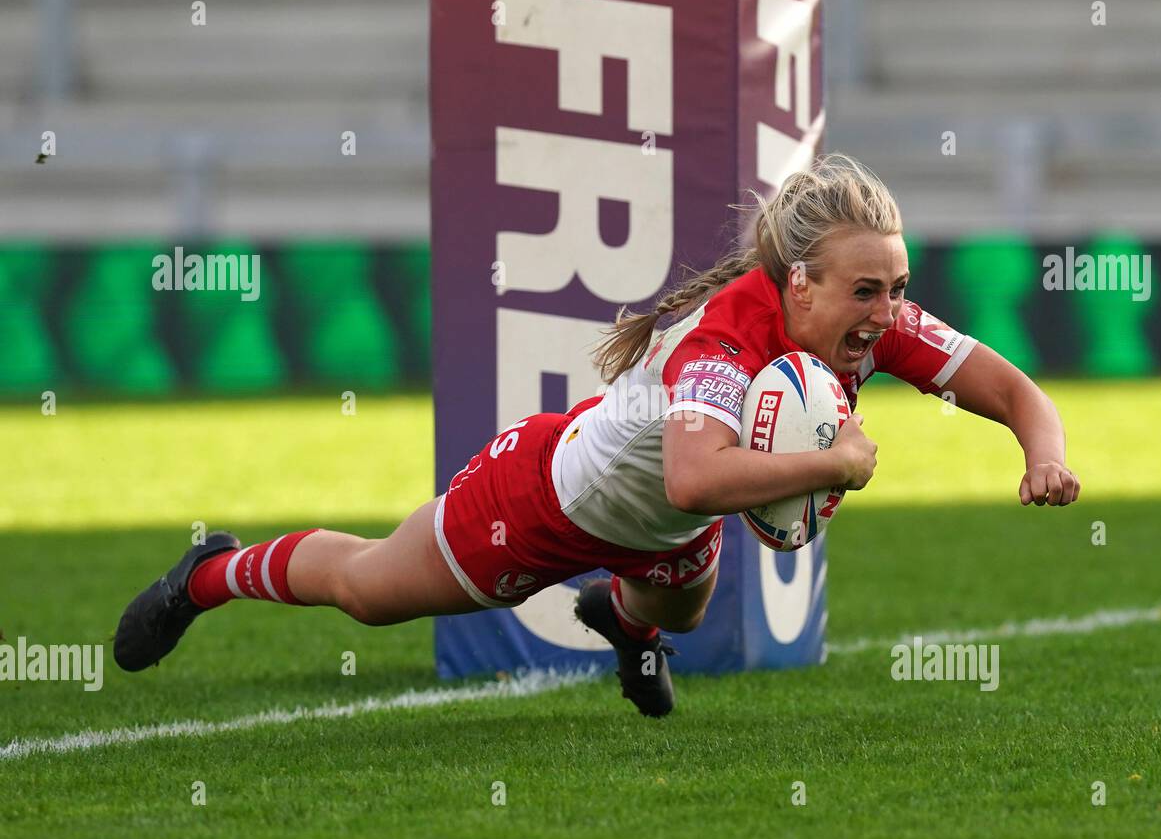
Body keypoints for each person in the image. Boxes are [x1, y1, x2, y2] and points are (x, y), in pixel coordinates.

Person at [113, 153, 1079, 718]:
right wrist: (838, 461)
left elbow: (1012, 388)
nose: (889, 309)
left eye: (898, 284)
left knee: (683, 612)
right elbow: (698, 478)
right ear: (798, 285)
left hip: (658, 517)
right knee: (368, 593)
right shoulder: (727, 334)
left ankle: (621, 622)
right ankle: (208, 572)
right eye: (868, 289)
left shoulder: (877, 321)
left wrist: (1045, 456)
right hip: (550, 500)